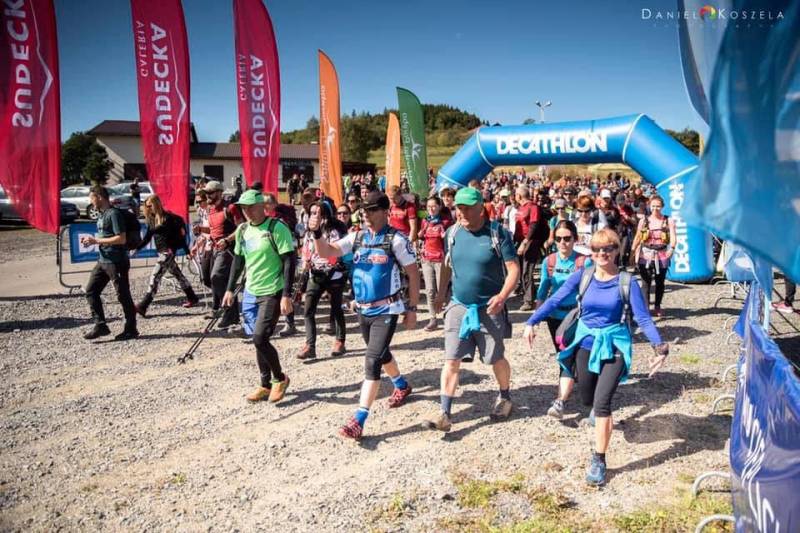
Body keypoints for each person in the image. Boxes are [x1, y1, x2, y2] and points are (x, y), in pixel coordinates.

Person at [523, 229, 668, 486]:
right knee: (587, 398)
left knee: (602, 404)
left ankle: (599, 459)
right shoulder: (583, 276)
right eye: (597, 249)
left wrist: (660, 347)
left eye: (608, 249)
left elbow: (643, 318)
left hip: (615, 345)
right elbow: (554, 299)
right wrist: (531, 321)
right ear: (591, 252)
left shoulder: (627, 282)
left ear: (616, 251)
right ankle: (598, 415)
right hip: (586, 343)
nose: (602, 253)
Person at [308, 191, 420, 441]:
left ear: (385, 211)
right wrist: (316, 233)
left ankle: (359, 419)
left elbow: (413, 273)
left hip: (387, 310)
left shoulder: (396, 240)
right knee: (380, 353)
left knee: (371, 360)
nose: (366, 215)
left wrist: (412, 309)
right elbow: (327, 251)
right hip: (364, 309)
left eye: (371, 210)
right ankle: (402, 385)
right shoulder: (357, 236)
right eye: (363, 210)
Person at [424, 187, 520, 432]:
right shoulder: (452, 233)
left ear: (481, 208)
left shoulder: (498, 233)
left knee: (495, 357)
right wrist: (441, 294)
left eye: (467, 208)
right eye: (459, 207)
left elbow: (513, 269)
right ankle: (444, 413)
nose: (462, 212)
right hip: (459, 305)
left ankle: (505, 396)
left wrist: (502, 296)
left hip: (490, 307)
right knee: (451, 358)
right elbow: (447, 265)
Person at [223, 189, 295, 403]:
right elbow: (238, 261)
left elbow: (289, 262)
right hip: (251, 292)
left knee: (260, 337)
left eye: (250, 207)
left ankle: (279, 378)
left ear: (262, 206)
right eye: (243, 208)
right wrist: (229, 289)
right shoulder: (243, 230)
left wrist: (286, 295)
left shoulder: (277, 227)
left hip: (272, 291)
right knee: (257, 339)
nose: (246, 212)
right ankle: (265, 384)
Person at [535, 220, 592, 419]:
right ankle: (568, 388)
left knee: (573, 355)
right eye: (558, 239)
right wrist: (536, 316)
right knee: (563, 355)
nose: (562, 243)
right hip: (555, 317)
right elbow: (543, 289)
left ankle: (562, 399)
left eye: (567, 238)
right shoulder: (549, 261)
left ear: (575, 239)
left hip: (577, 317)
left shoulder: (584, 262)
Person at [81, 186, 138, 341]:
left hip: (117, 261)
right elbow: (105, 236)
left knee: (123, 295)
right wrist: (92, 241)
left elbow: (121, 239)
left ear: (99, 197)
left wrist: (95, 241)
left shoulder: (114, 214)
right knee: (91, 291)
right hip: (103, 260)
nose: (90, 201)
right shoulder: (102, 215)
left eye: (92, 197)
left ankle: (131, 329)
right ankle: (100, 325)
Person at [297, 201, 348, 360]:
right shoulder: (308, 232)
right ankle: (310, 346)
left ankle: (340, 341)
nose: (315, 216)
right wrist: (305, 261)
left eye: (319, 213)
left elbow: (336, 251)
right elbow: (306, 249)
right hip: (315, 274)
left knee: (336, 308)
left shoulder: (334, 230)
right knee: (308, 310)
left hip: (333, 274)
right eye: (312, 213)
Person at [134, 195, 198, 316]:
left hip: (168, 252)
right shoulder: (152, 219)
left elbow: (180, 236)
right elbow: (148, 237)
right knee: (178, 275)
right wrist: (137, 249)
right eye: (146, 206)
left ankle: (143, 305)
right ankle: (192, 297)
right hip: (161, 251)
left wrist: (187, 252)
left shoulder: (168, 218)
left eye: (150, 206)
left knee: (155, 276)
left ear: (156, 204)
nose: (148, 208)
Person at [194, 180, 243, 329]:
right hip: (215, 249)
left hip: (228, 249)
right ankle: (232, 315)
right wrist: (201, 229)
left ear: (220, 193)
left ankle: (229, 313)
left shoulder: (230, 208)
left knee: (217, 277)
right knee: (214, 280)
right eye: (206, 193)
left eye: (210, 192)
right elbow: (214, 229)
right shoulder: (210, 209)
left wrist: (227, 240)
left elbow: (242, 227)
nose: (208, 196)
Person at [632, 195, 676, 317]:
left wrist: (672, 248)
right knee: (645, 283)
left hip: (662, 254)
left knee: (660, 282)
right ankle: (645, 308)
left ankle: (657, 306)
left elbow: (673, 236)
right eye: (653, 206)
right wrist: (633, 251)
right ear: (649, 206)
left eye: (658, 206)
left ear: (662, 207)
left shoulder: (668, 220)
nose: (655, 209)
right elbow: (638, 237)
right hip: (645, 254)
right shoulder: (644, 221)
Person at [419, 195, 452, 331]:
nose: (431, 209)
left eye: (433, 206)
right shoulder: (425, 221)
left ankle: (449, 316)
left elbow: (450, 240)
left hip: (441, 261)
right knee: (430, 291)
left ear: (439, 206)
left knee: (442, 290)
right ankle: (433, 319)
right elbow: (422, 237)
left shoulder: (446, 222)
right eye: (428, 207)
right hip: (427, 259)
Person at [514, 186, 547, 311]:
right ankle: (528, 293)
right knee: (521, 270)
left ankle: (529, 301)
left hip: (531, 241)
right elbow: (518, 227)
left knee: (527, 270)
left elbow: (534, 225)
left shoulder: (533, 207)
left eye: (516, 194)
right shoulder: (520, 208)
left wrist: (525, 241)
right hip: (520, 241)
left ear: (519, 196)